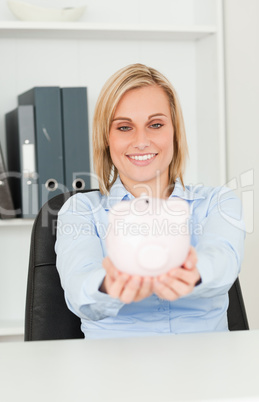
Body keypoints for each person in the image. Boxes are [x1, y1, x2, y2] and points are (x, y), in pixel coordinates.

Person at [55, 63, 245, 339]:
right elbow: (79, 288)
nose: (141, 141)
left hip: (204, 366)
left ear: (174, 132)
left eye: (155, 124)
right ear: (106, 138)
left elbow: (223, 260)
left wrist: (192, 272)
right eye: (124, 127)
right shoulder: (81, 210)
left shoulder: (217, 202)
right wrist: (111, 284)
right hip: (115, 368)